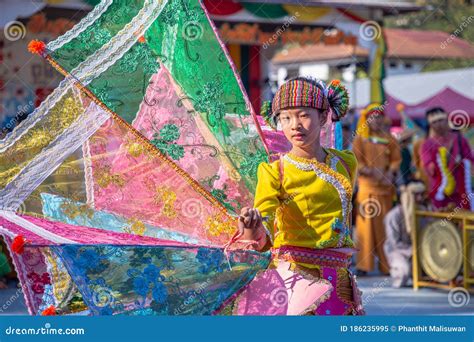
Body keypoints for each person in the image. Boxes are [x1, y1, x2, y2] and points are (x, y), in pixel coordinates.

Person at [233, 76, 364, 315]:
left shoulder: (346, 163)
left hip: (340, 281)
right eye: (286, 117)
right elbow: (263, 233)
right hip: (294, 281)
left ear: (323, 117)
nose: (295, 125)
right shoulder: (275, 172)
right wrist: (251, 225)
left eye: (303, 115)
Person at [352, 104, 402, 276]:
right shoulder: (360, 139)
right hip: (366, 189)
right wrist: (369, 170)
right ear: (366, 119)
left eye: (379, 116)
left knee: (385, 229)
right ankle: (363, 265)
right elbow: (356, 161)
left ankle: (386, 265)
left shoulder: (390, 138)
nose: (376, 120)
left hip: (385, 190)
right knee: (364, 230)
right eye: (373, 116)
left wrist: (389, 172)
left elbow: (396, 160)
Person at [420, 107, 473, 210]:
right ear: (430, 125)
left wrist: (461, 163)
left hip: (462, 191)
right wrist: (443, 163)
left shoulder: (459, 139)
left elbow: (470, 159)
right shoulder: (427, 144)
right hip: (441, 192)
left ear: (447, 120)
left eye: (440, 120)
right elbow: (428, 167)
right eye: (434, 122)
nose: (438, 124)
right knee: (442, 223)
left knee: (466, 222)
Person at [383, 182, 426, 288]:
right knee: (404, 272)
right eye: (417, 195)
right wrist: (413, 250)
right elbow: (394, 243)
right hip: (398, 252)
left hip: (418, 250)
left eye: (421, 194)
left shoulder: (423, 211)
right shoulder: (394, 215)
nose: (420, 198)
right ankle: (398, 271)